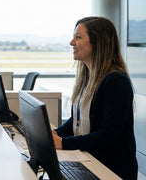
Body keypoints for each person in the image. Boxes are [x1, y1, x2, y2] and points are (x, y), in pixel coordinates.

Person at [52, 16, 138, 179]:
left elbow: (109, 135)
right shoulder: (88, 77)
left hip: (111, 170)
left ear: (97, 43)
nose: (72, 42)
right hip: (89, 161)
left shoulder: (115, 81)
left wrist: (63, 143)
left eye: (78, 37)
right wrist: (55, 133)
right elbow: (77, 120)